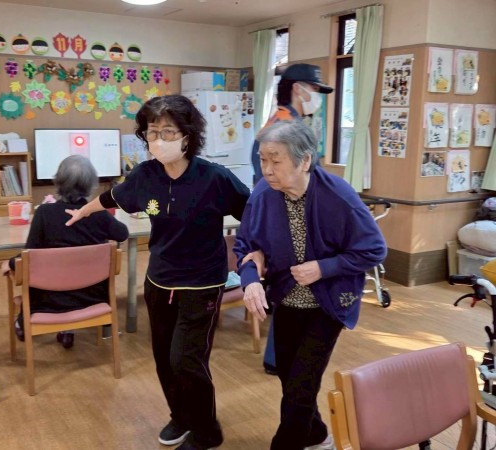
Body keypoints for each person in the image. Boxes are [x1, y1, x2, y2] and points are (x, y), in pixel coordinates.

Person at [65, 95, 251, 450]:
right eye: (152, 132)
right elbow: (112, 198)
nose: (159, 140)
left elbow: (253, 212)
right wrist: (83, 211)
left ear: (187, 136)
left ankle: (207, 432)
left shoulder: (214, 178)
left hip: (202, 283)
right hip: (160, 280)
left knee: (187, 360)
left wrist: (259, 252)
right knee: (165, 359)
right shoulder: (145, 175)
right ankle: (180, 416)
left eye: (168, 132)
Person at [235, 120, 387, 450]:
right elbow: (245, 244)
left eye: (276, 160)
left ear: (304, 160)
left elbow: (374, 249)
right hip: (286, 298)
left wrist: (323, 267)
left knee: (301, 385)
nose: (267, 169)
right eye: (263, 160)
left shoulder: (338, 196)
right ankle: (317, 435)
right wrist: (250, 280)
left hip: (328, 303)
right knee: (289, 376)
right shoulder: (263, 193)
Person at [251, 63, 334, 376]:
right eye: (314, 89)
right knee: (291, 284)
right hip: (290, 214)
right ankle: (279, 357)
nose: (317, 96)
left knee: (288, 283)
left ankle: (279, 356)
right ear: (298, 88)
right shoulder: (286, 126)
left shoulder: (283, 120)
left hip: (285, 212)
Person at [10, 155, 129, 349]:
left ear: (58, 181)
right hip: (92, 298)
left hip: (48, 300)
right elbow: (122, 234)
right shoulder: (99, 214)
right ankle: (67, 330)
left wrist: (11, 263)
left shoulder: (44, 213)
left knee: (28, 273)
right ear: (91, 184)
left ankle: (24, 325)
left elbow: (30, 255)